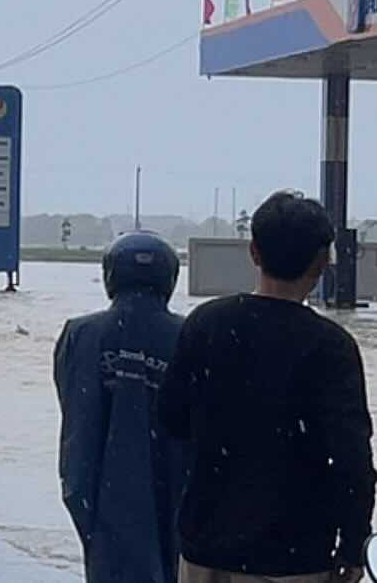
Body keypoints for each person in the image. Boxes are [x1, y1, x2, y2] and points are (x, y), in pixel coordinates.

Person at [159, 190, 374, 583]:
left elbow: (172, 419)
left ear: (254, 252)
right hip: (297, 554)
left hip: (208, 547)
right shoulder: (331, 347)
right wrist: (354, 543)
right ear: (323, 262)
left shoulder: (206, 324)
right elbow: (351, 458)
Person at [54, 231, 187, 583]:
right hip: (176, 494)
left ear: (111, 275)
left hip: (100, 490)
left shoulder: (81, 334)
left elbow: (76, 419)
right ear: (169, 278)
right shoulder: (189, 334)